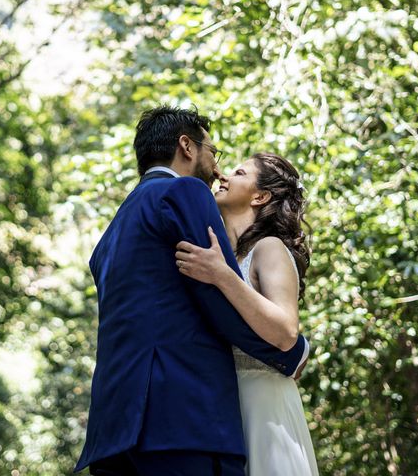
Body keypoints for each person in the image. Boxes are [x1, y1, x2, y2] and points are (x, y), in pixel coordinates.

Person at [74, 106, 309, 476]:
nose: (217, 169)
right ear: (187, 146)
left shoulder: (113, 231)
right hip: (179, 421)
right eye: (214, 153)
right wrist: (292, 353)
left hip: (115, 425)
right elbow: (215, 302)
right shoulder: (183, 192)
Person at [174, 153, 319, 475]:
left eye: (238, 173)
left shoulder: (269, 247)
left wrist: (221, 275)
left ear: (260, 196)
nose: (223, 177)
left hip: (264, 403)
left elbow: (285, 333)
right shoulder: (226, 252)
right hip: (224, 400)